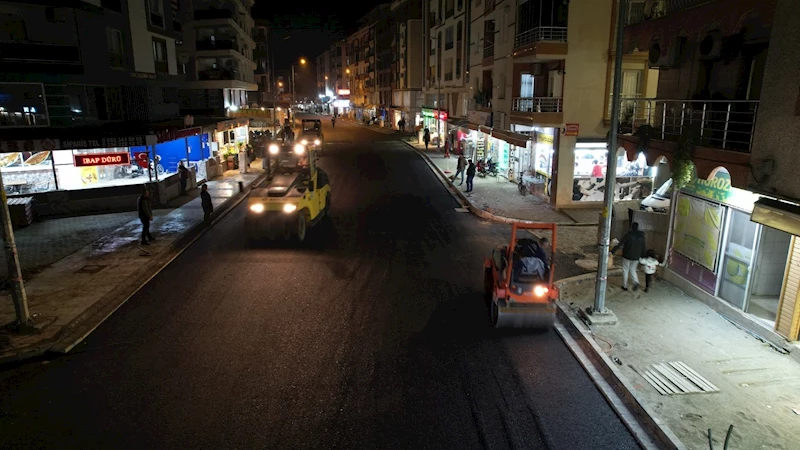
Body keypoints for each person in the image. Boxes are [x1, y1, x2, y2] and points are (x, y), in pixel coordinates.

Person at [611, 222, 647, 291]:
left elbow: (620, 244)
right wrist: (643, 256)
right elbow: (643, 247)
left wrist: (612, 251)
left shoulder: (628, 235)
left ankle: (625, 286)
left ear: (631, 227)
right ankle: (636, 282)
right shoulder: (642, 237)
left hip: (627, 255)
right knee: (633, 269)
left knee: (625, 270)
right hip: (636, 257)